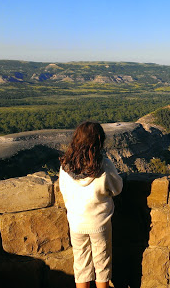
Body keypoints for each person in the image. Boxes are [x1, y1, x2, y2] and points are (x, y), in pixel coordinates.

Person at [59, 121, 123, 288]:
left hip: (77, 223)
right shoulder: (104, 165)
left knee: (81, 266)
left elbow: (64, 191)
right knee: (102, 266)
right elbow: (117, 188)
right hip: (99, 223)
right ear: (99, 141)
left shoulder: (65, 166)